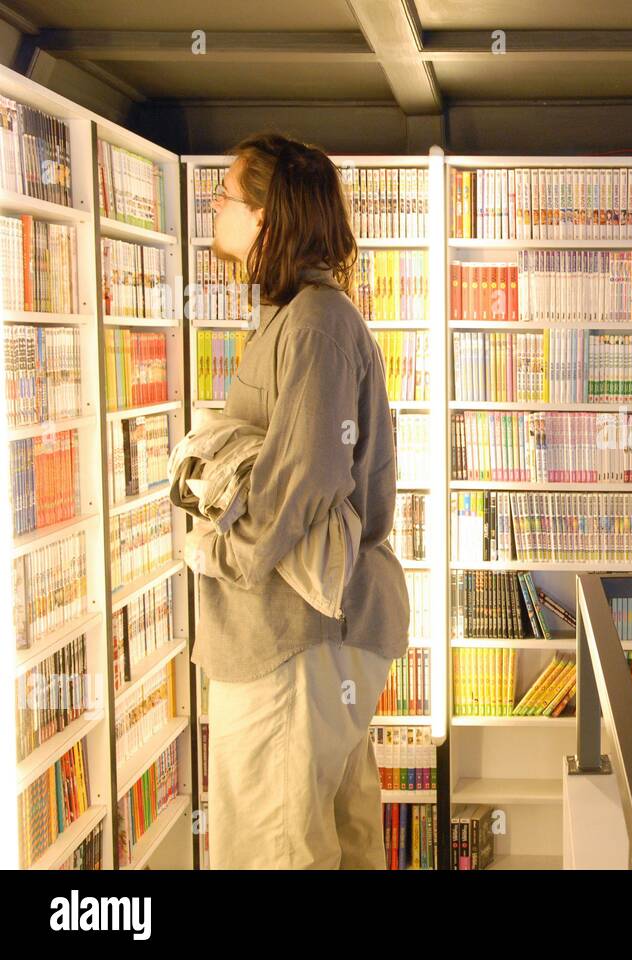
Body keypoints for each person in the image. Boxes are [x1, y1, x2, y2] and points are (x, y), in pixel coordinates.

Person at [187, 133, 409, 867]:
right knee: (333, 838)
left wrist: (211, 546)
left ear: (268, 220)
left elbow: (299, 486)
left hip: (295, 640)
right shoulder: (300, 319)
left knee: (274, 850)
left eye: (225, 196)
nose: (213, 206)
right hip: (305, 638)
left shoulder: (314, 324)